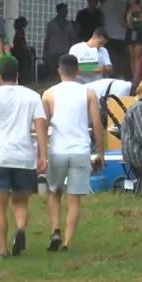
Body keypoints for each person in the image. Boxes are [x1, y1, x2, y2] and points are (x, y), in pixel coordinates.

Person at [0, 57, 48, 258]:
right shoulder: (32, 96)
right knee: (21, 202)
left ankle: (3, 250)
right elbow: (41, 125)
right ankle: (21, 229)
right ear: (17, 75)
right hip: (23, 156)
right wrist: (43, 154)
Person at [42, 55, 104, 252]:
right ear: (78, 71)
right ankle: (67, 242)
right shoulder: (88, 93)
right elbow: (97, 124)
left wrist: (41, 154)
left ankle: (55, 230)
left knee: (54, 192)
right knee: (74, 198)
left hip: (58, 150)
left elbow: (43, 124)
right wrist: (100, 152)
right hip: (80, 150)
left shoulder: (49, 94)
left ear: (59, 71)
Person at [101, 0, 128, 78]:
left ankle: (119, 76)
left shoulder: (124, 3)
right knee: (111, 58)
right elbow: (102, 20)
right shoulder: (105, 4)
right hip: (110, 35)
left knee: (121, 58)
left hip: (122, 35)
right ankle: (112, 76)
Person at [44, 3, 76, 78]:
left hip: (65, 51)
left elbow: (72, 38)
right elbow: (47, 39)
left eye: (66, 10)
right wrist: (45, 52)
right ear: (58, 11)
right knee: (53, 72)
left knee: (64, 72)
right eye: (64, 10)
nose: (66, 12)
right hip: (53, 52)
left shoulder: (69, 24)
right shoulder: (51, 24)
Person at [123, 0, 142, 79]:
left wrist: (136, 20)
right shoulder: (126, 8)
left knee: (137, 56)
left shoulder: (141, 8)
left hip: (138, 31)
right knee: (131, 56)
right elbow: (122, 21)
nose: (130, 0)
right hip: (130, 32)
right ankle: (134, 76)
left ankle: (137, 76)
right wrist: (128, 25)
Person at [12, 17, 33, 85]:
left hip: (18, 52)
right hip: (20, 53)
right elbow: (22, 43)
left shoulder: (18, 32)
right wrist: (27, 49)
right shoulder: (20, 33)